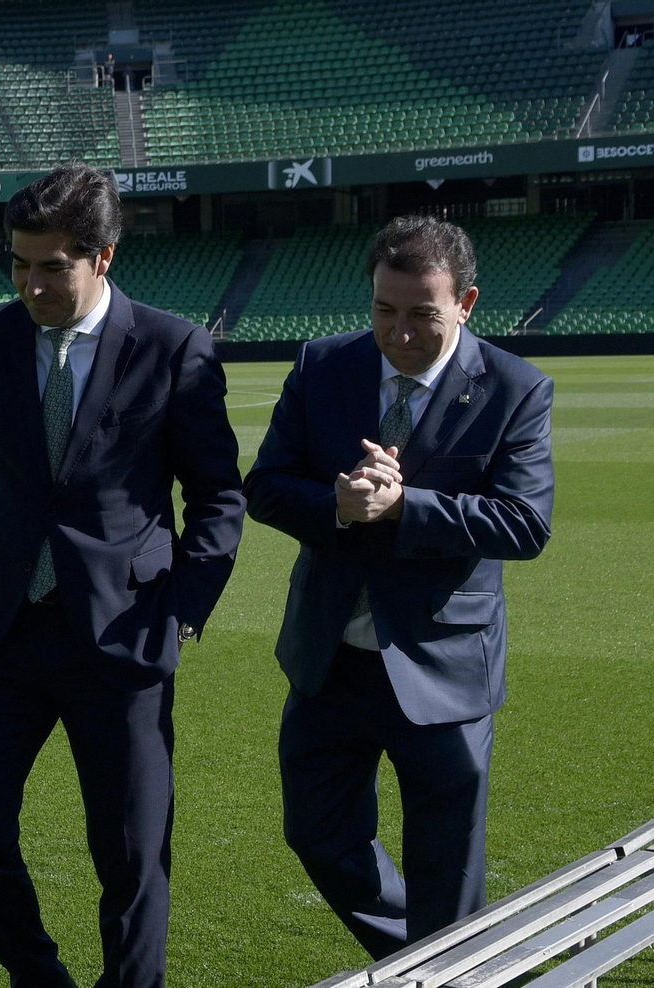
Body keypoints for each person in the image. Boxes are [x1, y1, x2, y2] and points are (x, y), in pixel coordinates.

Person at [0, 165, 246, 988]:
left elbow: (215, 495)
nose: (31, 283)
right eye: (19, 264)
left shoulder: (175, 347)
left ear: (102, 257)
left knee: (133, 856)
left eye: (52, 266)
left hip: (122, 636)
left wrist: (182, 610)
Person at [243, 215, 554, 958]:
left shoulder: (515, 387)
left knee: (447, 869)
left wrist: (403, 506)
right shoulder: (324, 365)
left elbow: (525, 523)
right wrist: (338, 507)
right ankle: (427, 955)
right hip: (332, 660)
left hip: (443, 669)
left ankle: (444, 961)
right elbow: (265, 487)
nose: (400, 331)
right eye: (385, 309)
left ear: (466, 303)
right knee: (318, 837)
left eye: (423, 314)